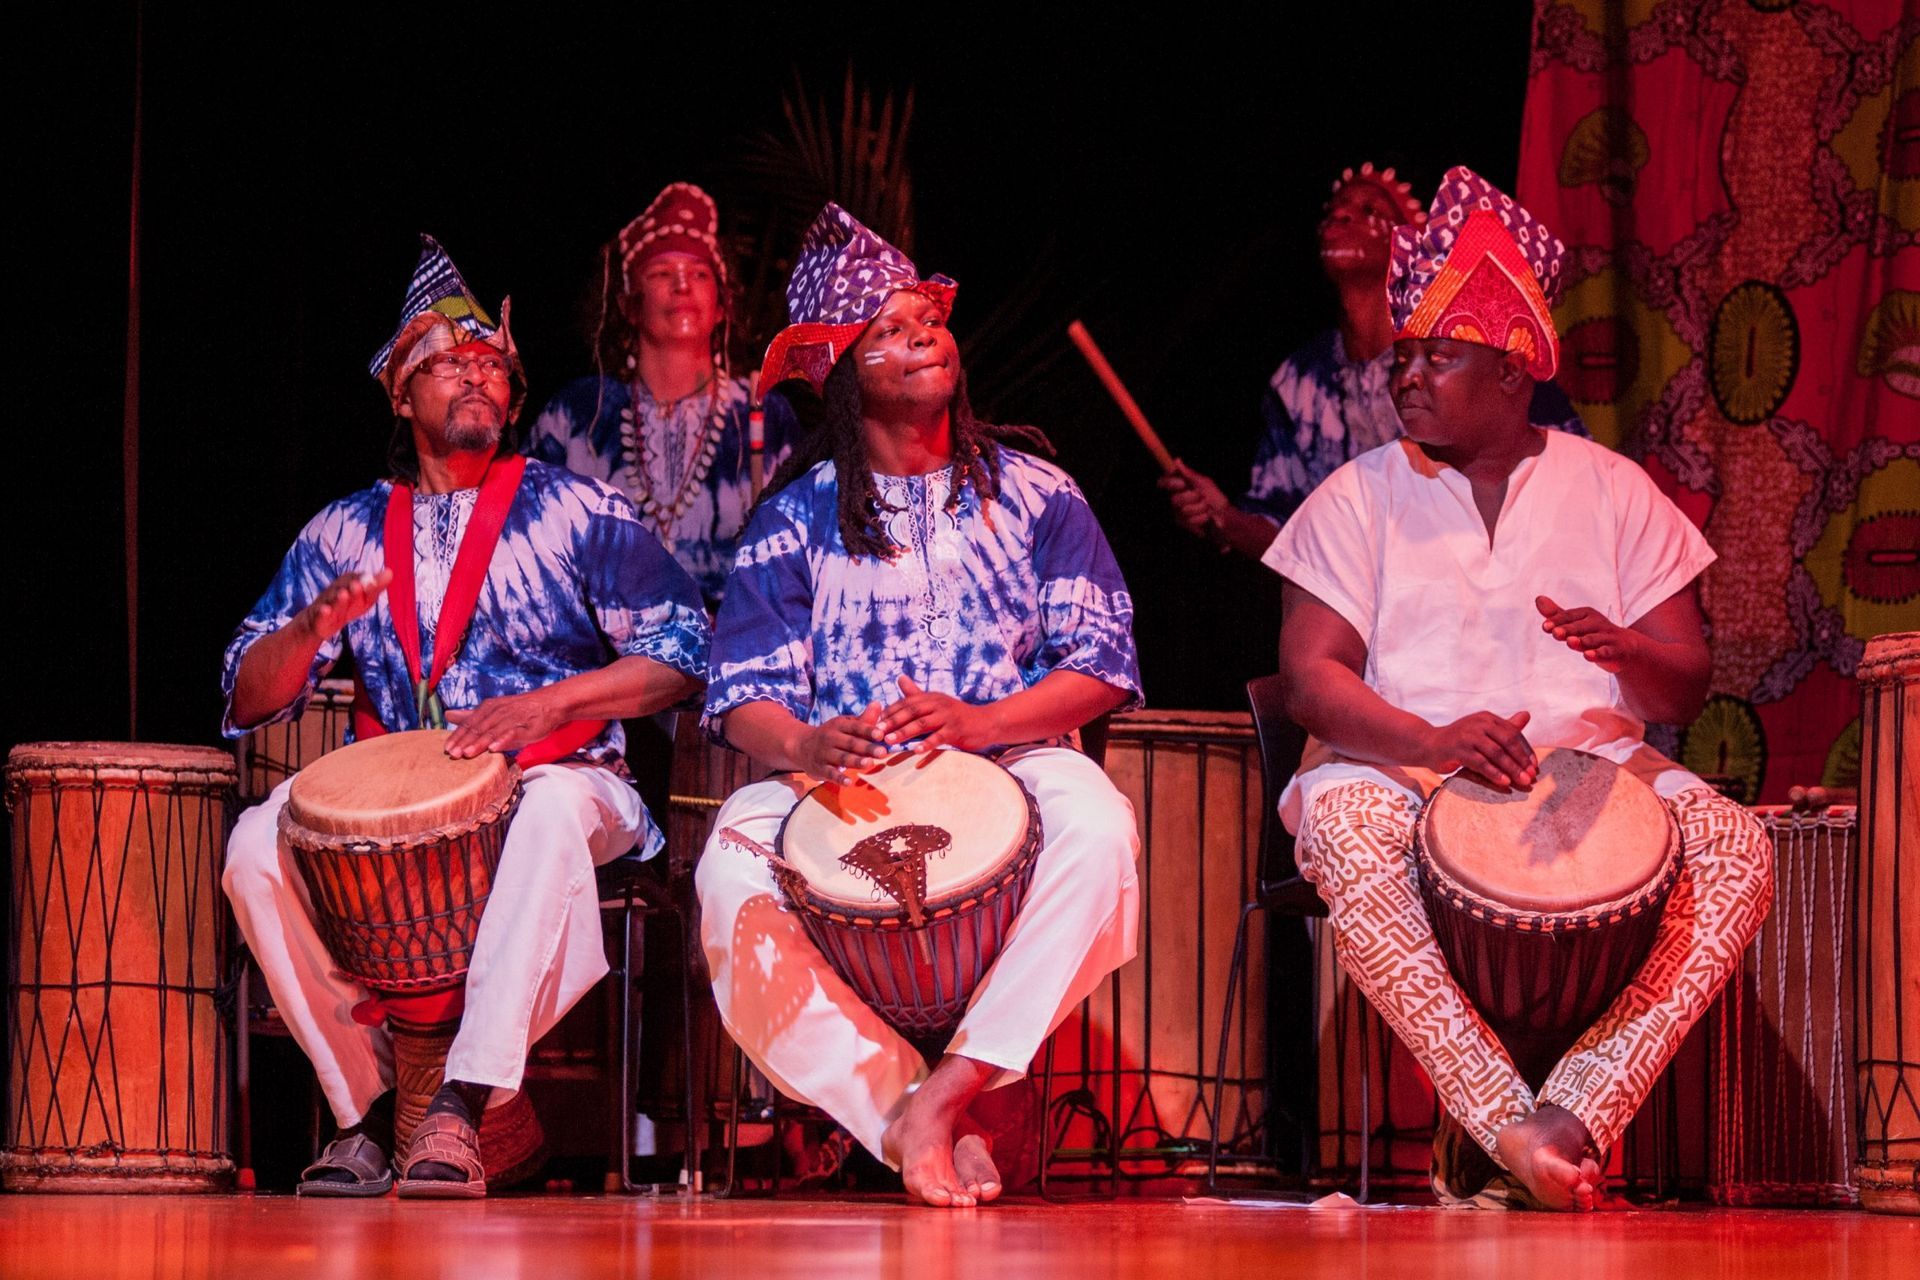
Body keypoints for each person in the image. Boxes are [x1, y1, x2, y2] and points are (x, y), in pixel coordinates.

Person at [1265, 169, 1772, 1210]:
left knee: (1739, 847)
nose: (1406, 376)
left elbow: (1687, 673)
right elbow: (1311, 679)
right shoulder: (1355, 495)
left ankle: (1575, 1110)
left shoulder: (1613, 488)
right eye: (1402, 356)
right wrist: (1432, 739)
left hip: (1596, 771)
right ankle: (1504, 1116)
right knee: (1348, 825)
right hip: (1395, 764)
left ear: (1510, 373)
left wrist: (1626, 643)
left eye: (1435, 357)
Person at [220, 236, 710, 1197]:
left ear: (515, 397)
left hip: (573, 781)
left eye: (491, 363)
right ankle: (366, 1114)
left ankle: (462, 1103)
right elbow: (244, 691)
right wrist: (313, 626)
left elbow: (683, 651)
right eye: (446, 362)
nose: (475, 374)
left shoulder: (577, 510)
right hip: (402, 820)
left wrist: (550, 705)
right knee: (251, 844)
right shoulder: (345, 531)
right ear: (400, 396)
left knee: (544, 813)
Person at [694, 204, 1144, 1208]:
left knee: (1103, 826)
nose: (919, 336)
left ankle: (956, 1082)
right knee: (729, 859)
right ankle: (907, 1109)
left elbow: (1104, 664)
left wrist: (984, 722)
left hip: (1014, 761)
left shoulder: (1038, 493)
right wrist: (809, 739)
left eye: (925, 320)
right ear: (846, 379)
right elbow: (742, 700)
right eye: (887, 330)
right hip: (841, 785)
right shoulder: (794, 516)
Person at [1161, 163, 1589, 559]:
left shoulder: (1471, 357)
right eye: (1334, 209)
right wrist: (1226, 520)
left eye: (1368, 209)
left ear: (1409, 243)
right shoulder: (1298, 380)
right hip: (1367, 627)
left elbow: (1571, 482)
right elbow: (1294, 539)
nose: (1341, 217)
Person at [527, 182, 800, 608]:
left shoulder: (763, 413)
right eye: (661, 274)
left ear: (723, 303)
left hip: (734, 659)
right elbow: (526, 550)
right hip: (608, 664)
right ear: (628, 305)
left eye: (699, 274)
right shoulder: (578, 415)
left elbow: (798, 565)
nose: (682, 286)